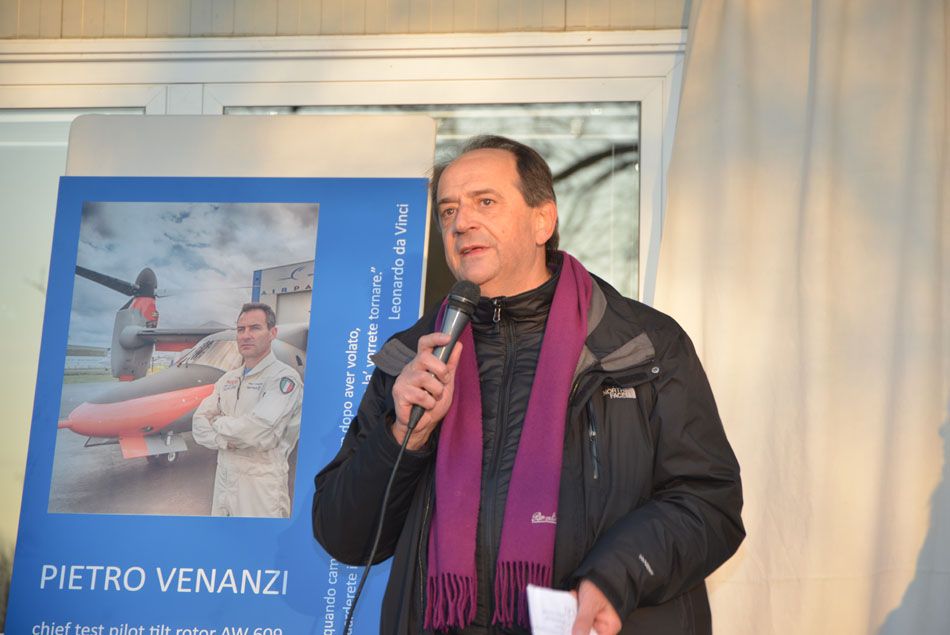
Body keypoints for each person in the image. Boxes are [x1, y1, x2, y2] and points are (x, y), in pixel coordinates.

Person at [312, 136, 744, 634]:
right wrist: (403, 437)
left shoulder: (640, 346)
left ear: (544, 221)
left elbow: (708, 502)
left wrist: (617, 576)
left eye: (485, 202)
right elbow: (344, 536)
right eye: (448, 210)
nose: (461, 222)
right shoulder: (414, 357)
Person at [193, 302, 302, 518]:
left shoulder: (284, 378)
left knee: (259, 540)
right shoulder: (227, 379)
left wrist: (218, 422)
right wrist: (224, 441)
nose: (245, 336)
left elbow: (257, 431)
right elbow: (198, 424)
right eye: (241, 329)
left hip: (260, 484)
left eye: (255, 328)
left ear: (272, 333)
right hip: (224, 478)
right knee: (222, 538)